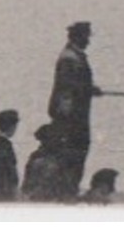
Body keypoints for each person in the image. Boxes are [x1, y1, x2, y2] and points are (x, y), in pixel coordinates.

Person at [47, 21, 102, 194]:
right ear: (79, 37)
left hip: (76, 116)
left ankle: (69, 190)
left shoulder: (75, 56)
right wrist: (88, 90)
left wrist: (89, 89)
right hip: (72, 119)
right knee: (73, 154)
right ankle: (67, 192)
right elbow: (67, 88)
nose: (88, 41)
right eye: (86, 37)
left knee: (76, 153)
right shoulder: (69, 58)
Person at [20, 124, 71, 203]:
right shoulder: (38, 157)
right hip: (44, 198)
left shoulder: (60, 157)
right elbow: (28, 184)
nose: (61, 142)